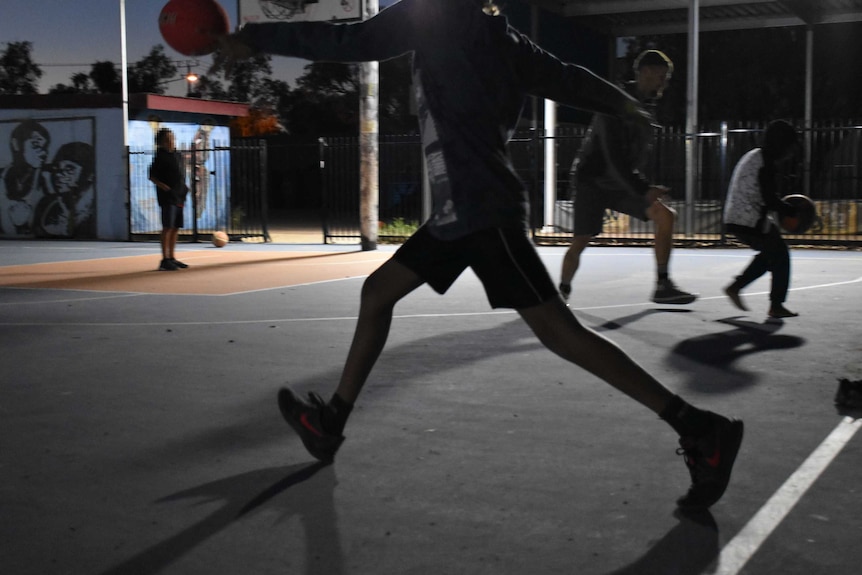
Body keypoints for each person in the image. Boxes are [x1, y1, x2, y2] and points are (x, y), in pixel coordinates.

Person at [216, 0, 743, 510]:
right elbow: (568, 79)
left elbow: (352, 40)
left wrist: (258, 36)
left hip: (480, 209)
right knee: (377, 293)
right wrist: (625, 103)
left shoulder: (439, 14)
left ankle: (699, 428)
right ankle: (330, 424)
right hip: (459, 211)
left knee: (561, 334)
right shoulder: (505, 39)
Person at [559, 49, 696, 305]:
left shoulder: (644, 108)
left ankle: (663, 285)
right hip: (594, 181)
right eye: (660, 76)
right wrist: (643, 188)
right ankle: (562, 293)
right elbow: (613, 157)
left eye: (666, 78)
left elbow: (631, 157)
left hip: (621, 184)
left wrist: (642, 186)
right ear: (644, 72)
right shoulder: (614, 101)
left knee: (665, 216)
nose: (663, 83)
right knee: (581, 240)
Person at [723, 119, 800, 319]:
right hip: (749, 218)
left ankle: (736, 287)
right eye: (790, 147)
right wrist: (790, 210)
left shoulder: (756, 156)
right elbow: (769, 198)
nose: (791, 153)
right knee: (780, 254)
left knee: (771, 255)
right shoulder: (765, 161)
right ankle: (776, 305)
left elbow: (764, 197)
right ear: (781, 144)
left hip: (737, 216)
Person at [0, 119, 51, 237]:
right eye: (35, 144)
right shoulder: (2, 177)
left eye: (44, 147)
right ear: (16, 144)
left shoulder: (43, 182)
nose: (42, 153)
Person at [148, 128, 189, 271]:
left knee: (176, 227)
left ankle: (172, 257)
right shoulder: (160, 156)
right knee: (168, 227)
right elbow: (152, 175)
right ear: (162, 141)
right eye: (168, 138)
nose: (171, 140)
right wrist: (164, 187)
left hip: (179, 194)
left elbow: (181, 173)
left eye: (172, 137)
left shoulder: (177, 155)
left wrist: (184, 187)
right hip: (168, 196)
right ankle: (164, 259)